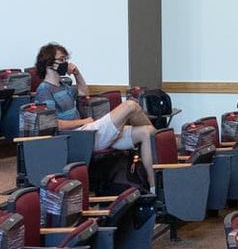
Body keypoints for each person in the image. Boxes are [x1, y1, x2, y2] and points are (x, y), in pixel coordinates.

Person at [31, 42, 158, 176]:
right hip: (78, 137)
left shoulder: (63, 86)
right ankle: (161, 144)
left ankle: (153, 188)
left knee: (147, 132)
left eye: (66, 60)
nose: (66, 63)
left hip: (88, 131)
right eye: (61, 59)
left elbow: (84, 94)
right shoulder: (44, 90)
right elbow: (53, 124)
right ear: (49, 63)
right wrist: (83, 122)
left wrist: (77, 73)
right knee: (130, 105)